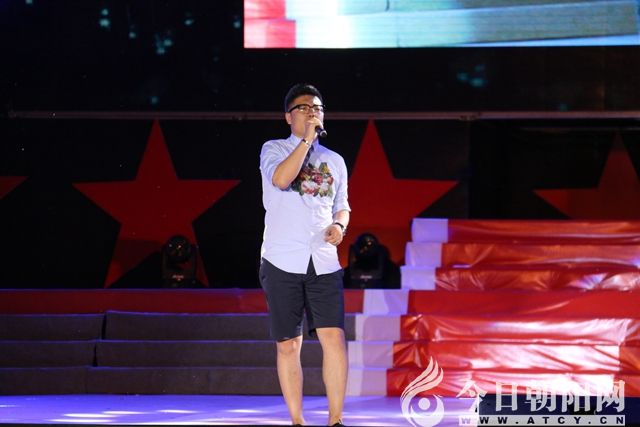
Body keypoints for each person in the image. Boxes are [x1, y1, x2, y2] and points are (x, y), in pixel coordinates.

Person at [259, 83, 350, 426]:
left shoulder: (335, 161)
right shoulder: (273, 149)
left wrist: (340, 226)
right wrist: (306, 142)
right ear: (288, 116)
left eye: (318, 108)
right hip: (282, 259)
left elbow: (342, 206)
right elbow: (282, 179)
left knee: (334, 338)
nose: (313, 113)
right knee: (289, 344)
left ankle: (336, 419)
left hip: (323, 260)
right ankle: (297, 421)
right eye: (305, 108)